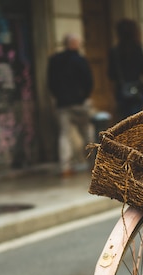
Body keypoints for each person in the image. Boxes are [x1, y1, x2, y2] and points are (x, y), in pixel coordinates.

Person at [47, 33, 94, 177]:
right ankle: (92, 163)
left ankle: (65, 167)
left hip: (62, 104)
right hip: (79, 103)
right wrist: (84, 96)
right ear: (74, 43)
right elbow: (89, 81)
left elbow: (50, 82)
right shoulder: (80, 60)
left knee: (64, 135)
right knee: (87, 132)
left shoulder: (54, 60)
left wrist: (58, 96)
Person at [108, 19, 143, 119]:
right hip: (138, 90)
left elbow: (111, 74)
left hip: (121, 91)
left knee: (124, 121)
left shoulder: (114, 51)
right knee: (137, 119)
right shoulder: (137, 49)